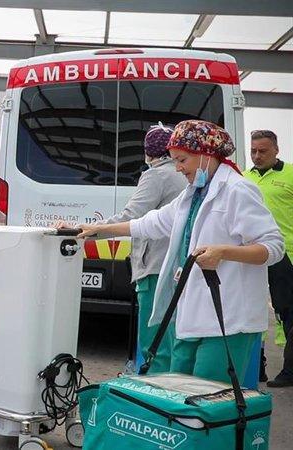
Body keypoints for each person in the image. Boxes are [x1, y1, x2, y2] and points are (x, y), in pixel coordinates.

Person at [71, 120, 284, 384]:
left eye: (182, 160)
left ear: (206, 155)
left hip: (227, 319)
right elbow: (149, 223)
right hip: (191, 314)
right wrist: (96, 230)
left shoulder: (238, 190)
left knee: (208, 401)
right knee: (181, 398)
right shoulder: (192, 194)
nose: (178, 168)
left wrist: (224, 252)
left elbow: (274, 247)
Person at [98, 123, 187, 372]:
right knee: (171, 337)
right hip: (176, 266)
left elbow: (131, 217)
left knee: (154, 343)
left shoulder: (156, 174)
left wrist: (88, 231)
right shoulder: (183, 173)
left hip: (155, 266)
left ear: (150, 153)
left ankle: (156, 396)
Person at [244, 129, 293, 388]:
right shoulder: (243, 177)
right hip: (253, 255)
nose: (257, 155)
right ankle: (257, 366)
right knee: (252, 309)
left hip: (286, 256)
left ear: (276, 150)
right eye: (253, 151)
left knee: (288, 313)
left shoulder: (291, 175)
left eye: (262, 151)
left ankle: (290, 370)